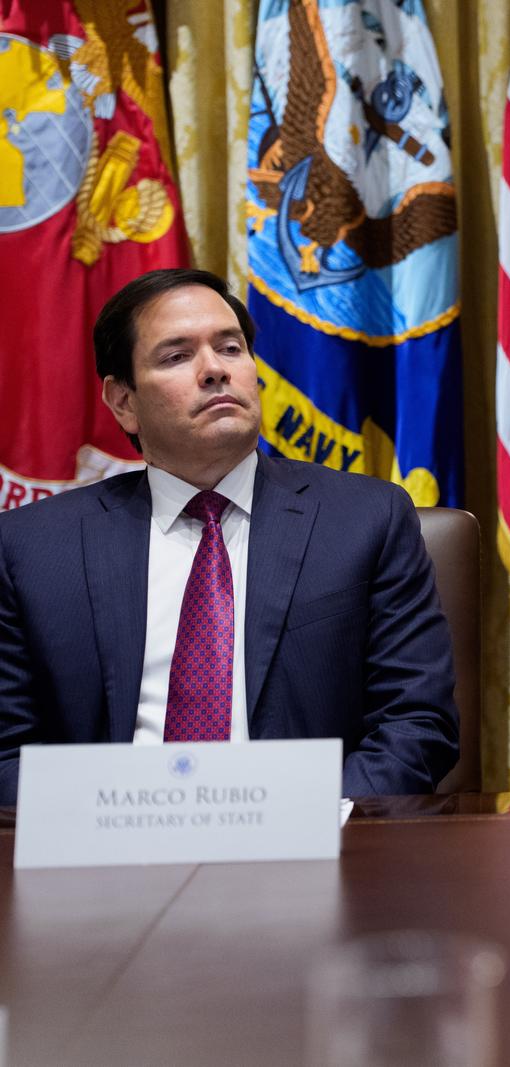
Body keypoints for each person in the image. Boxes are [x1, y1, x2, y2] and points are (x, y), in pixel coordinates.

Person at [0, 268, 458, 803]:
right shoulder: (31, 548)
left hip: (311, 855)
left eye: (231, 348)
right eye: (176, 356)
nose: (215, 370)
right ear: (123, 401)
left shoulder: (366, 519)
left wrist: (296, 823)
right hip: (110, 856)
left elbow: (415, 724)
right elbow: (8, 752)